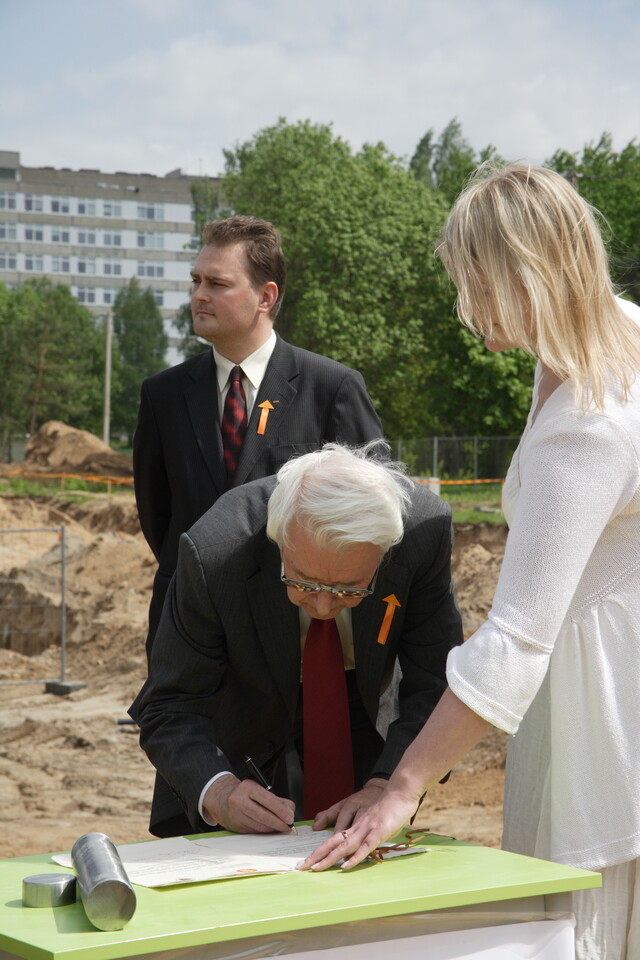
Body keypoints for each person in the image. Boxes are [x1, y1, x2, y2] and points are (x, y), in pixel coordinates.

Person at [301, 165, 640, 960]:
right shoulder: (611, 337)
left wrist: (401, 787)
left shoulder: (589, 419)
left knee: (586, 931)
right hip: (612, 676)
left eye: (473, 283)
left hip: (602, 723)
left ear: (525, 274)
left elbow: (517, 640)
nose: (465, 306)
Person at [129, 443, 463, 839]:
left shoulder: (422, 533)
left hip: (360, 713)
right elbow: (170, 702)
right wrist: (220, 791)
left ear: (384, 553)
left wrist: (386, 786)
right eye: (303, 582)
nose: (323, 607)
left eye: (349, 589)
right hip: (242, 726)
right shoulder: (217, 550)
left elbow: (434, 682)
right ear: (280, 541)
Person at [133, 216, 382, 661]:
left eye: (217, 283)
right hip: (188, 631)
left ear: (266, 296)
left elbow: (373, 515)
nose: (199, 295)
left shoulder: (331, 388)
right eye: (196, 281)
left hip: (296, 635)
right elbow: (158, 516)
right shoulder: (162, 395)